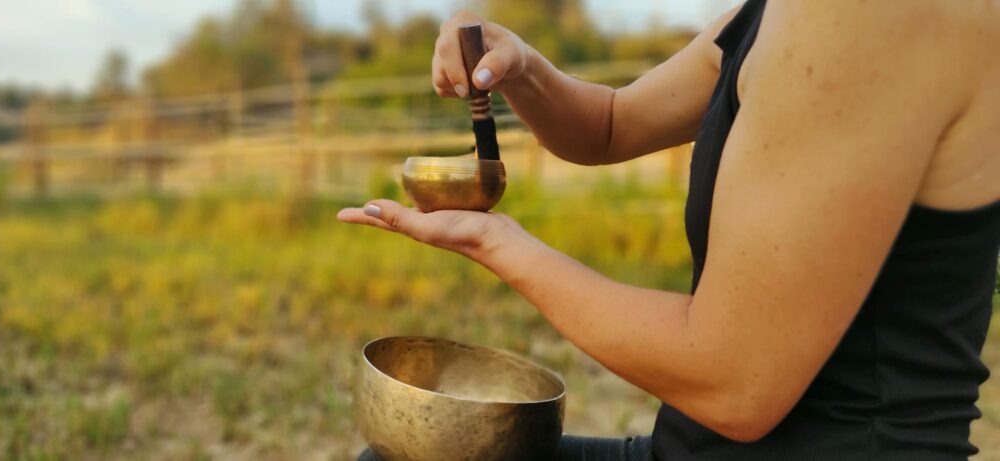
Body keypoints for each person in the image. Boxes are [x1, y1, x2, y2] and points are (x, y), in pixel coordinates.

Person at [340, 0, 1000, 459]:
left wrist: (496, 242)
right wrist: (522, 67)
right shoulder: (776, 15)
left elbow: (736, 382)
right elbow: (610, 123)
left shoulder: (874, 16)